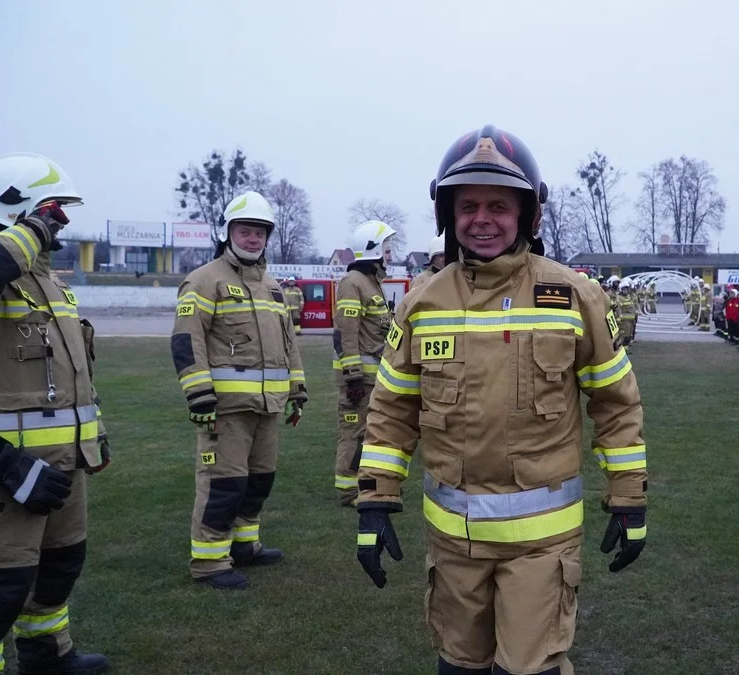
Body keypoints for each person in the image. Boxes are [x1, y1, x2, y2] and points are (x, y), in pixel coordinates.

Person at [354, 125, 648, 675]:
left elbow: (616, 403)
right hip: (452, 544)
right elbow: (392, 410)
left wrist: (629, 496)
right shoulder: (421, 303)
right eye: (468, 206)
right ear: (448, 214)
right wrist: (375, 499)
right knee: (459, 667)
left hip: (541, 547)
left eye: (498, 206)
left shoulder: (576, 297)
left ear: (528, 215)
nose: (482, 219)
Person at [0, 153, 110, 673]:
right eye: (52, 211)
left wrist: (95, 432)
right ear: (19, 211)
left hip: (66, 463)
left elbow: (75, 372)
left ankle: (47, 656)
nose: (61, 223)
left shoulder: (51, 284)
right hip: (8, 469)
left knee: (60, 567)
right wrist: (31, 227)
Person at [171, 190, 307, 589]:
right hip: (226, 410)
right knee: (223, 485)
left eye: (259, 232)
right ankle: (210, 562)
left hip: (268, 406)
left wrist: (297, 388)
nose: (253, 239)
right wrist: (199, 394)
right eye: (245, 231)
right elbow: (186, 340)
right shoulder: (204, 280)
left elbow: (288, 344)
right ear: (227, 232)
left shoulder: (272, 287)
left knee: (259, 481)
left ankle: (245, 545)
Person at [331, 220, 400, 505]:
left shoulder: (372, 283)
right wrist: (354, 376)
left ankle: (366, 485)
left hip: (375, 377)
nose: (390, 255)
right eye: (387, 249)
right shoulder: (353, 283)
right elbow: (346, 333)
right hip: (359, 379)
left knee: (371, 434)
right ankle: (348, 490)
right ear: (373, 250)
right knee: (354, 433)